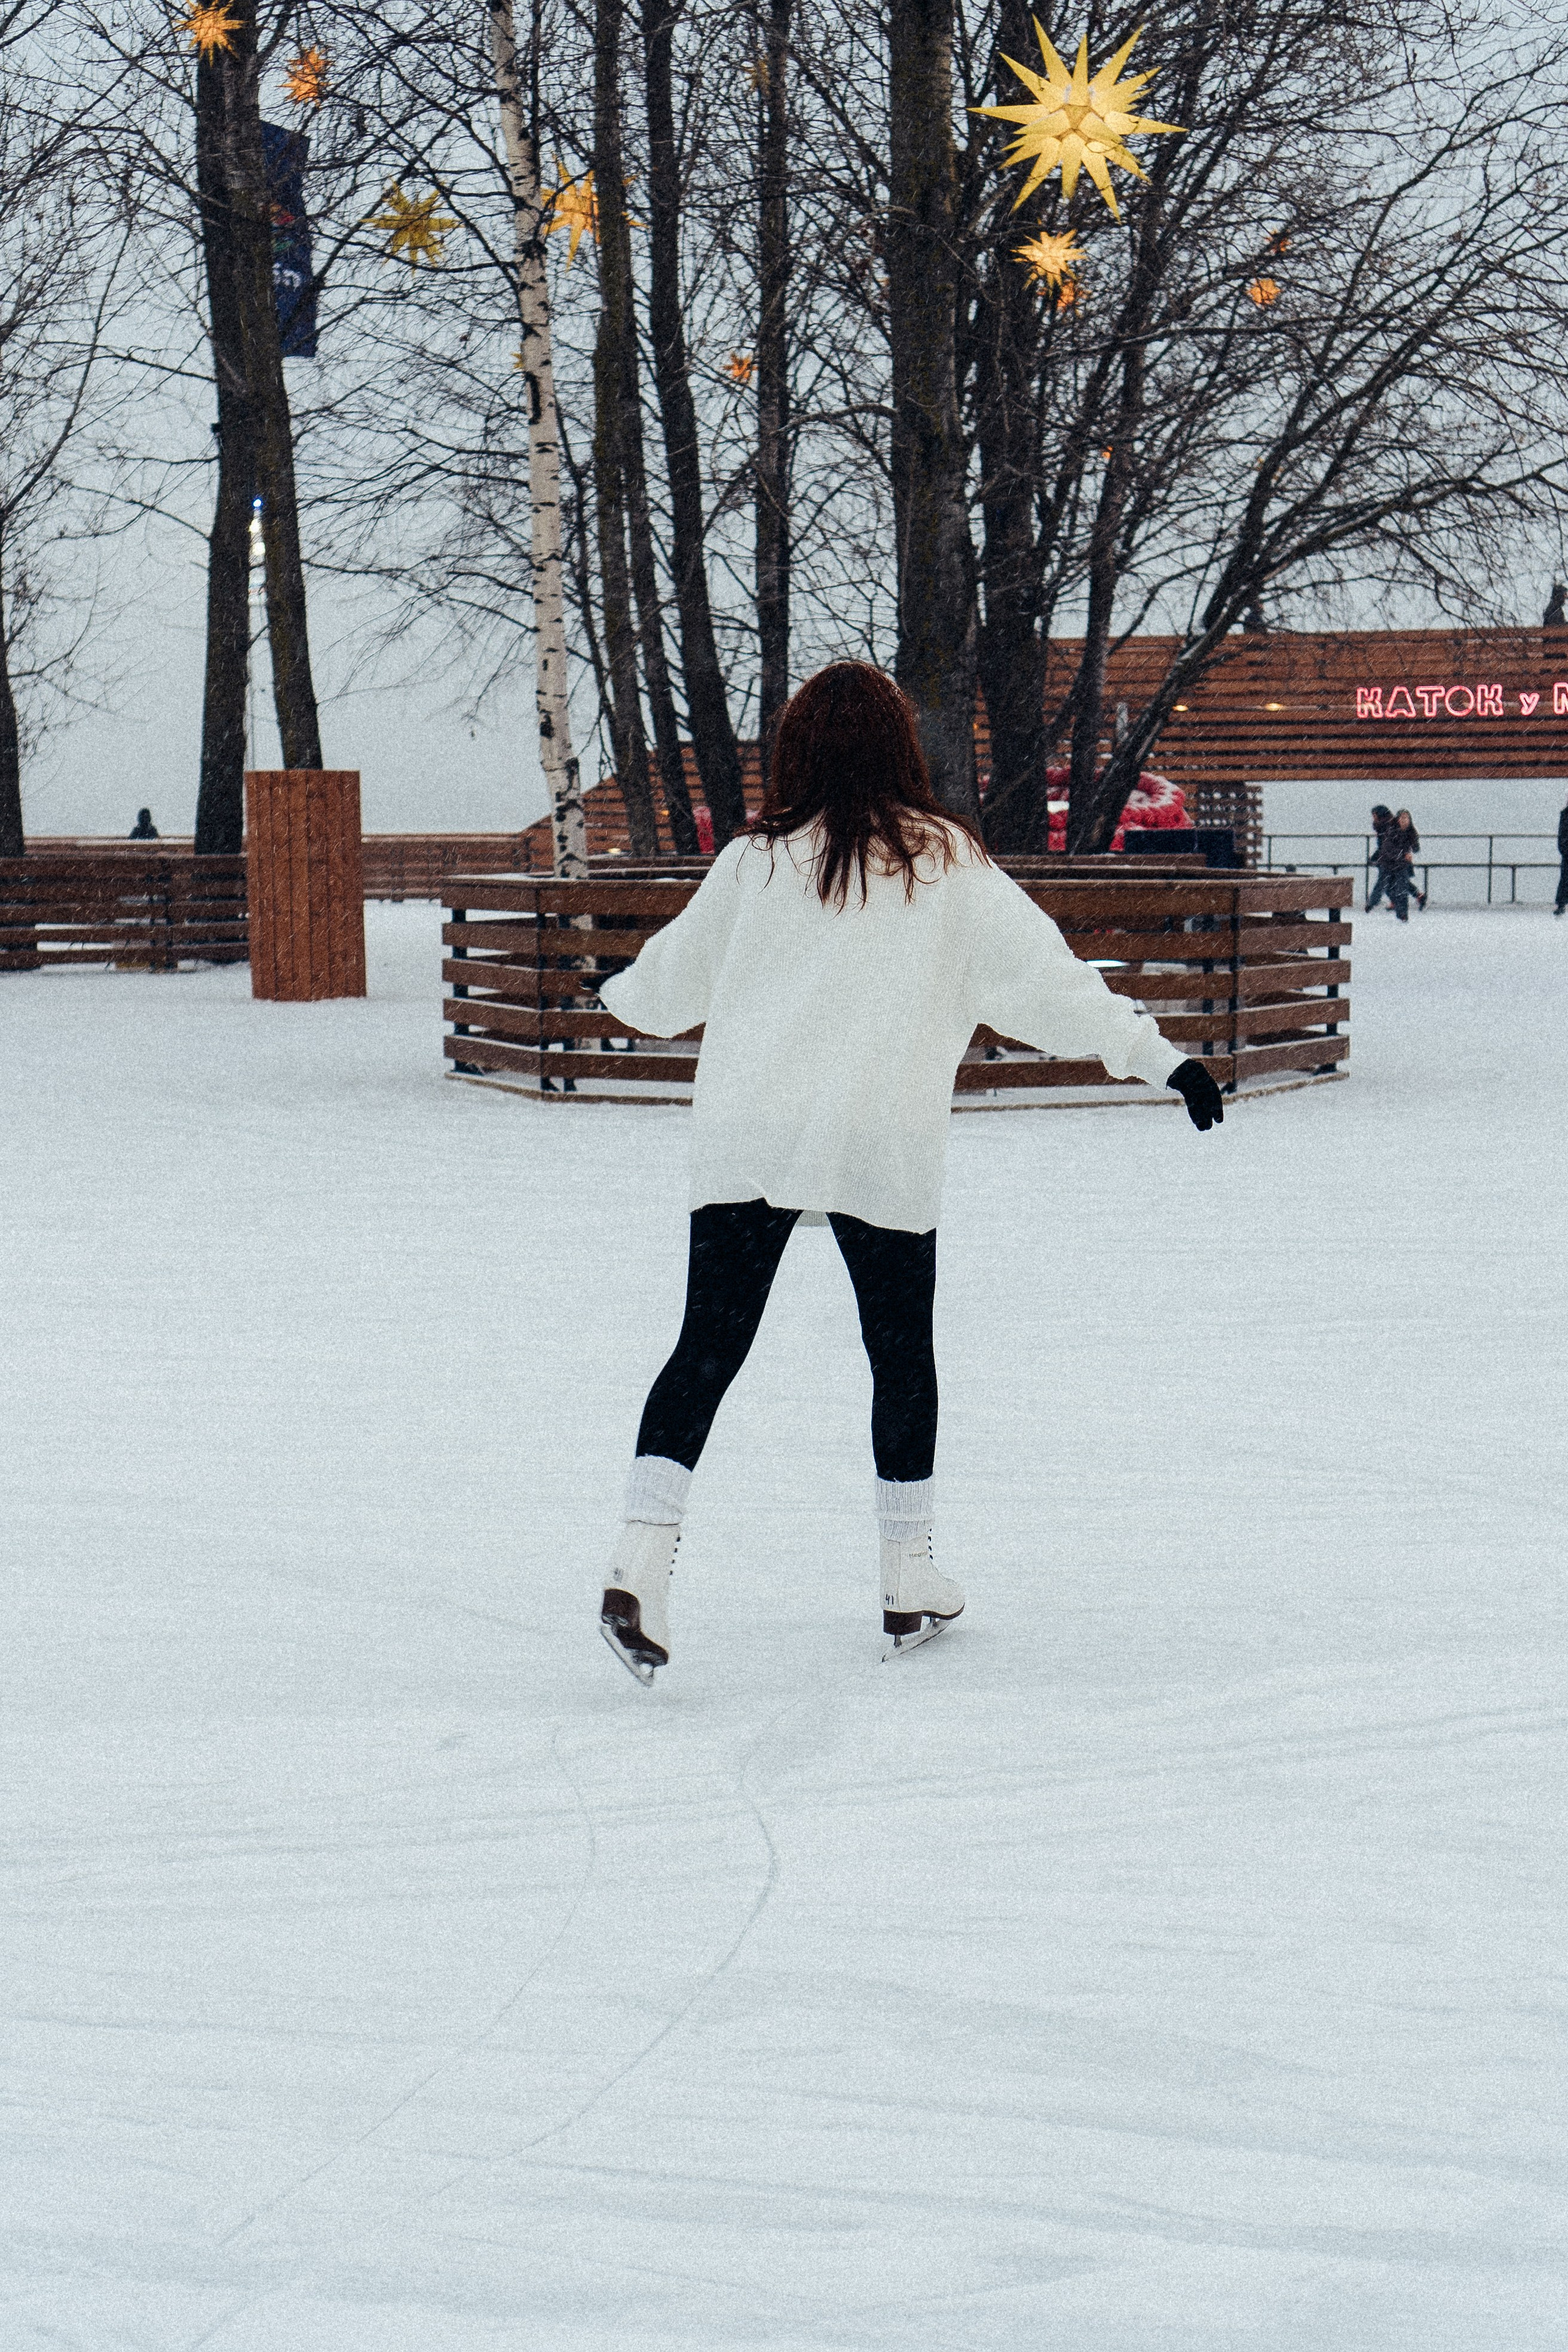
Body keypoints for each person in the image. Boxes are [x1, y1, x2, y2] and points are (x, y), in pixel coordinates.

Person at [592, 661, 1225, 1684]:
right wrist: (1165, 1056)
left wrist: (612, 992)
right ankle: (905, 1574)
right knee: (900, 1354)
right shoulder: (944, 864)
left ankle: (641, 1558)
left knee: (706, 1345)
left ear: (796, 751)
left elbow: (667, 985)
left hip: (752, 1133)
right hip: (879, 1136)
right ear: (903, 752)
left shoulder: (755, 863)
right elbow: (1053, 988)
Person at [1379, 807, 1425, 921]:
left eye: (1407, 818)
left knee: (1399, 885)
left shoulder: (1410, 831)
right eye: (1403, 818)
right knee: (1396, 884)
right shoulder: (1391, 829)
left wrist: (1410, 848)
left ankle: (1402, 910)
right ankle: (1416, 897)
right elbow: (1387, 846)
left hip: (1401, 863)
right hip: (1392, 861)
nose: (1405, 820)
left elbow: (1416, 848)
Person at [1366, 805, 1393, 911]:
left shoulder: (1386, 826)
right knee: (1392, 881)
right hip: (1387, 857)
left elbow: (1385, 845)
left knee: (1383, 881)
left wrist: (1375, 857)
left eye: (1374, 815)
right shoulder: (1383, 826)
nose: (1373, 818)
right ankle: (1418, 896)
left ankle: (1372, 902)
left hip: (1389, 858)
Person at [1556, 797, 1567, 916]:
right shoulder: (1565, 815)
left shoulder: (1565, 815)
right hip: (1567, 853)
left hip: (1566, 851)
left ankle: (1561, 904)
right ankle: (1561, 904)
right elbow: (1562, 835)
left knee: (1565, 879)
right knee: (1565, 879)